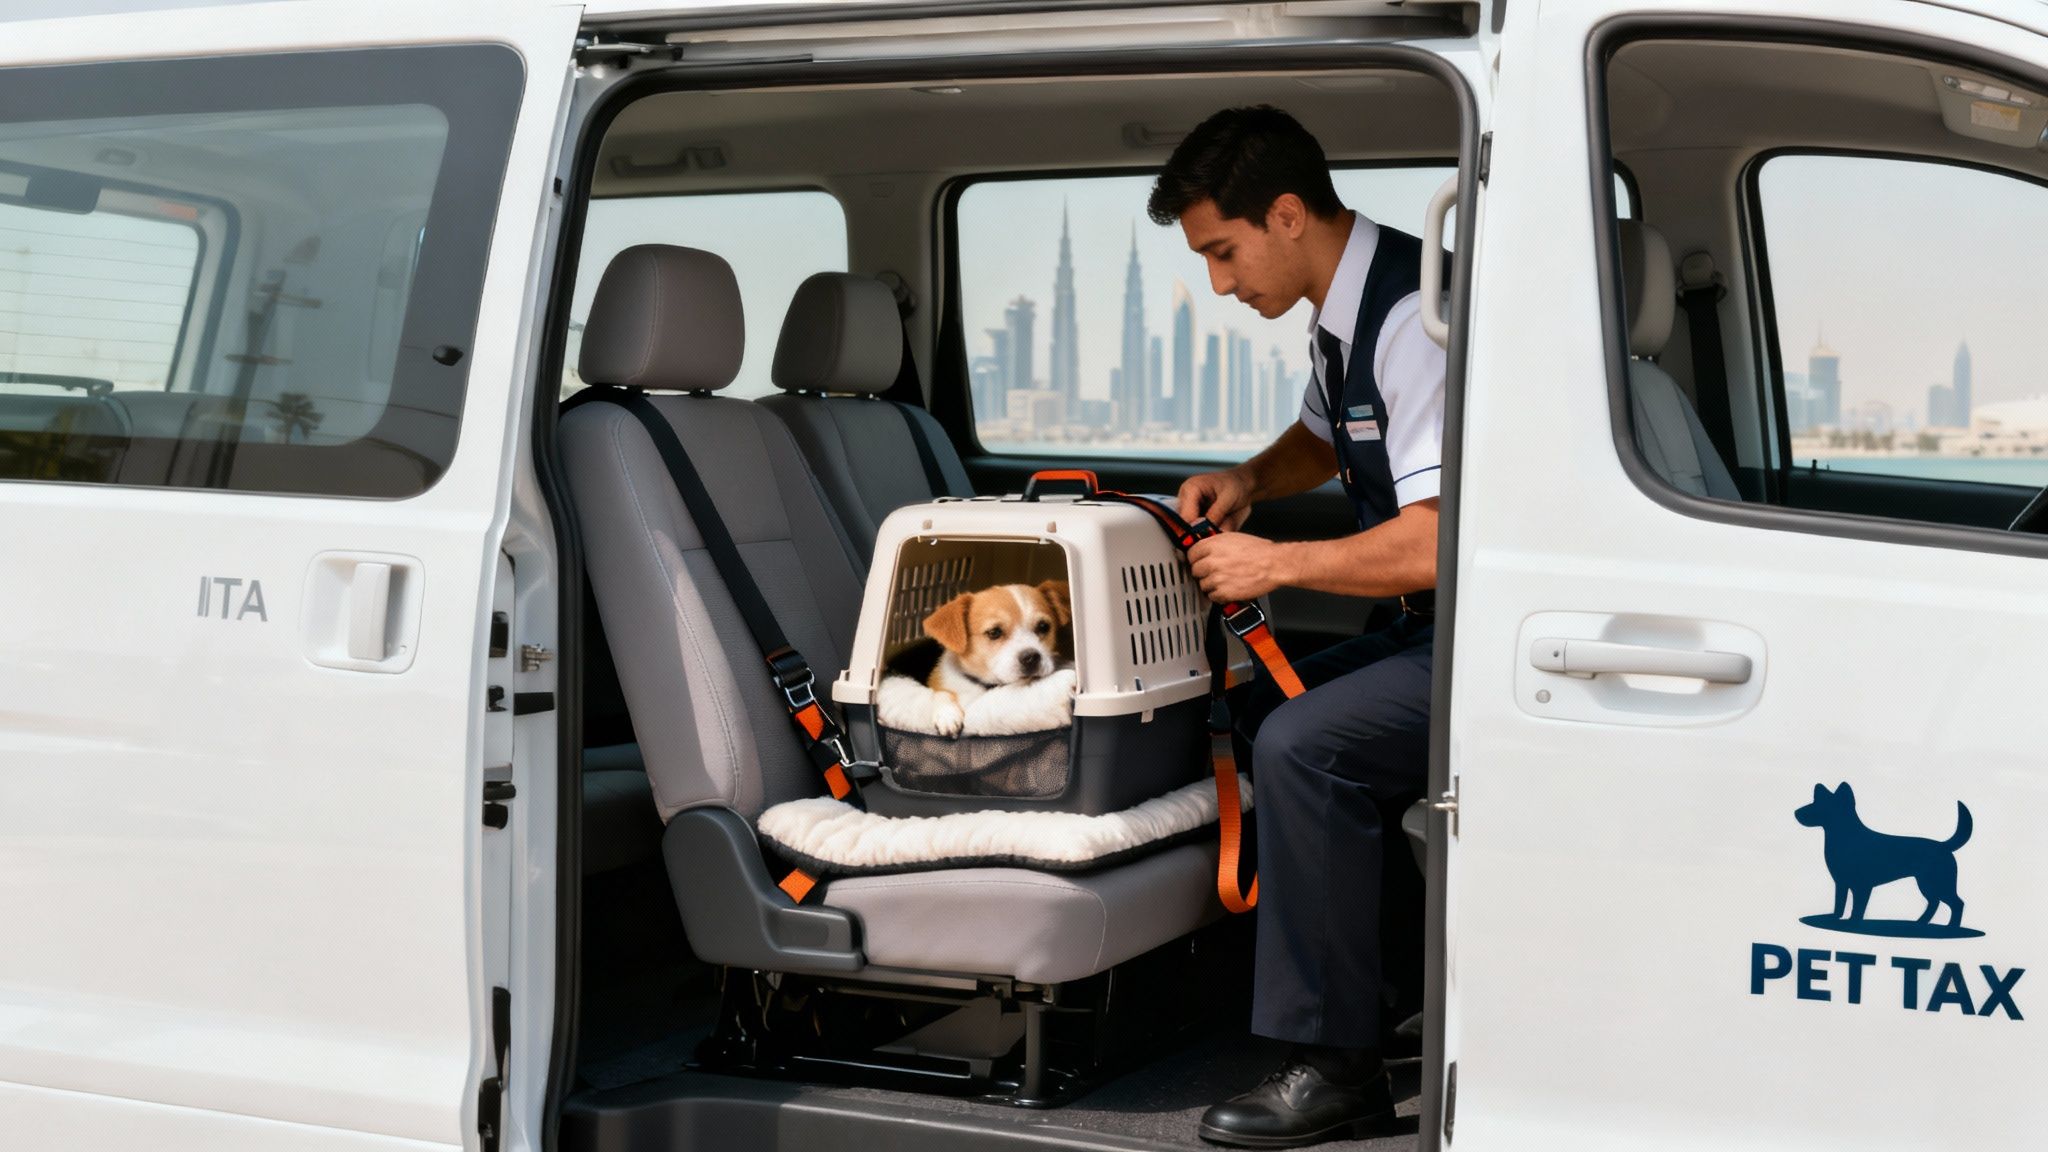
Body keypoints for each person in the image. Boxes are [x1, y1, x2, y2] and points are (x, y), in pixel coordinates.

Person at [1146, 105, 1445, 1148]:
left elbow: (1433, 543)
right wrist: (1245, 481)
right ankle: (1384, 994)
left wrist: (1274, 562)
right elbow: (1325, 441)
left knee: (1305, 743)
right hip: (1425, 634)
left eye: (1224, 253)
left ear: (1284, 215)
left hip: (1467, 640)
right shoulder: (1344, 309)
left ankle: (1336, 1066)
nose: (1221, 285)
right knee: (1263, 697)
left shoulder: (1411, 315)